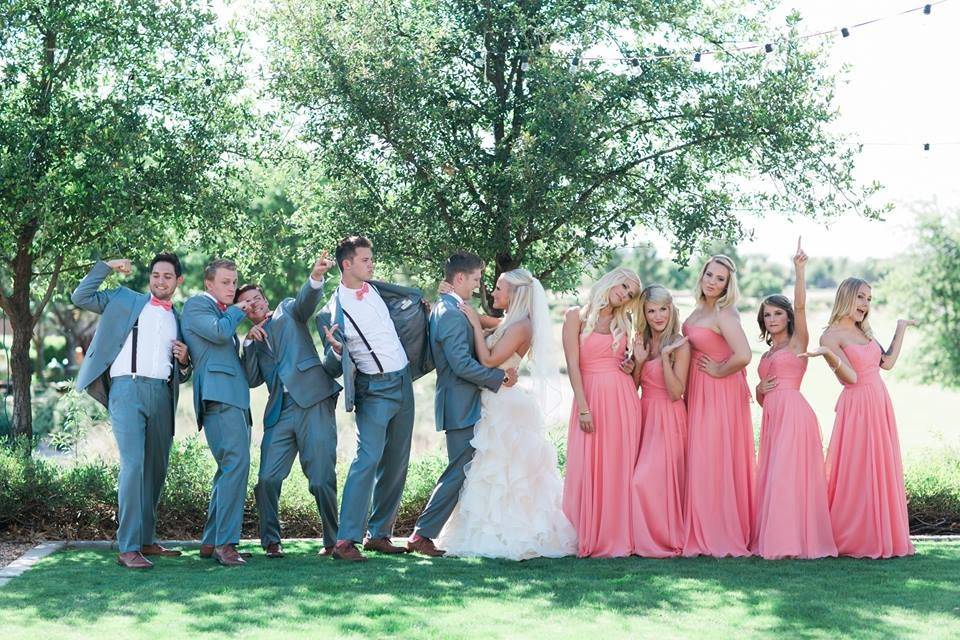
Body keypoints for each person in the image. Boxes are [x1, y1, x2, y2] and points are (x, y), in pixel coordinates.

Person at [435, 269, 576, 560]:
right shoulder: (510, 321)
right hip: (497, 396)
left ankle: (512, 532)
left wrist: (475, 325)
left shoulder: (521, 326)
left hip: (504, 403)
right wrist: (448, 296)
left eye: (499, 289)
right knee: (492, 469)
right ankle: (487, 529)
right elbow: (473, 314)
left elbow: (488, 359)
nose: (493, 293)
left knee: (506, 472)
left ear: (515, 294)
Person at [72, 254, 191, 569]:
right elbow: (80, 296)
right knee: (134, 465)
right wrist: (106, 266)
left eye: (167, 276)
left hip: (162, 393)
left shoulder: (179, 318)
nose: (160, 281)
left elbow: (183, 368)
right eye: (155, 275)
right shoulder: (124, 299)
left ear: (178, 281)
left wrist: (184, 361)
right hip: (126, 390)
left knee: (155, 468)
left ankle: (147, 540)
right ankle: (128, 548)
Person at [317, 236, 429, 561]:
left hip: (403, 381)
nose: (371, 264)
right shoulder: (332, 311)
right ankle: (345, 541)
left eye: (371, 259)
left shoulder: (377, 289)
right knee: (367, 459)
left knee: (397, 460)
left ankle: (379, 534)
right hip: (374, 389)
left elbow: (407, 306)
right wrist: (337, 351)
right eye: (365, 260)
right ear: (346, 264)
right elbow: (330, 365)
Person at [407, 252, 517, 557]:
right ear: (459, 279)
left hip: (463, 401)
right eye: (475, 280)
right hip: (459, 403)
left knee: (464, 468)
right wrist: (498, 377)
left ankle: (435, 532)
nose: (478, 285)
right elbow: (460, 364)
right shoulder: (451, 314)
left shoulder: (454, 308)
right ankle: (422, 534)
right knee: (459, 469)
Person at [803, 277, 917, 558]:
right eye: (861, 297)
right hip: (857, 406)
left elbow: (886, 363)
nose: (865, 304)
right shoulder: (830, 336)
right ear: (846, 297)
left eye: (869, 299)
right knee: (857, 470)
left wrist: (900, 328)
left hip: (879, 401)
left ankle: (881, 535)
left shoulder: (863, 330)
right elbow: (851, 377)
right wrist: (829, 354)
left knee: (881, 466)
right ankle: (853, 537)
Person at [237, 253, 340, 558]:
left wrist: (316, 276)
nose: (254, 304)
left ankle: (334, 541)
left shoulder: (286, 311)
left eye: (257, 298)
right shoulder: (252, 338)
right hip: (279, 411)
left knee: (321, 478)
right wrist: (249, 343)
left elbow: (305, 302)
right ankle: (271, 541)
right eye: (247, 304)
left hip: (313, 401)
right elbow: (252, 379)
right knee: (266, 479)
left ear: (265, 300)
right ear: (242, 312)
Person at [751, 239, 837, 559]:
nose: (772, 319)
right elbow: (764, 397)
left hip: (795, 414)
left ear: (786, 317)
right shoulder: (767, 352)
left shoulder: (797, 343)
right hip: (773, 417)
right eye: (767, 315)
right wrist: (760, 391)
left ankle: (792, 544)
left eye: (777, 313)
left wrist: (799, 271)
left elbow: (800, 306)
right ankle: (777, 539)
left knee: (788, 477)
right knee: (774, 476)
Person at [561, 267, 643, 557]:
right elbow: (573, 364)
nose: (623, 295)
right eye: (623, 286)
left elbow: (630, 364)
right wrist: (583, 407)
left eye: (630, 294)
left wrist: (631, 367)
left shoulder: (626, 321)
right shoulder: (576, 316)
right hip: (590, 398)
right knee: (588, 466)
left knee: (619, 467)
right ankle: (588, 533)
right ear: (611, 280)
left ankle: (618, 535)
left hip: (623, 400)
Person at [681, 255, 755, 558]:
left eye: (720, 278)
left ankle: (719, 532)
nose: (712, 281)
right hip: (699, 390)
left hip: (720, 390)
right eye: (709, 275)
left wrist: (718, 371)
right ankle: (702, 525)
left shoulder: (724, 314)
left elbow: (745, 355)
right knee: (702, 457)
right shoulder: (699, 311)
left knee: (715, 457)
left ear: (728, 285)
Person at [181, 259, 252, 566]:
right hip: (218, 398)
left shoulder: (223, 313)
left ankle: (212, 541)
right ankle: (226, 544)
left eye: (234, 282)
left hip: (234, 399)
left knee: (228, 469)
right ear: (209, 284)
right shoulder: (197, 306)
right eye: (225, 282)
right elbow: (221, 334)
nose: (232, 288)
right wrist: (240, 309)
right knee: (236, 465)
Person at [629, 284, 690, 558]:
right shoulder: (641, 340)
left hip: (669, 416)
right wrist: (640, 362)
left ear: (671, 309)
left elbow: (677, 392)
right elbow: (634, 386)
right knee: (642, 480)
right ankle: (644, 538)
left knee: (644, 481)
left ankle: (664, 539)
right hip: (645, 413)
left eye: (663, 309)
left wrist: (665, 358)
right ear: (644, 313)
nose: (658, 316)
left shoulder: (679, 343)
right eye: (651, 310)